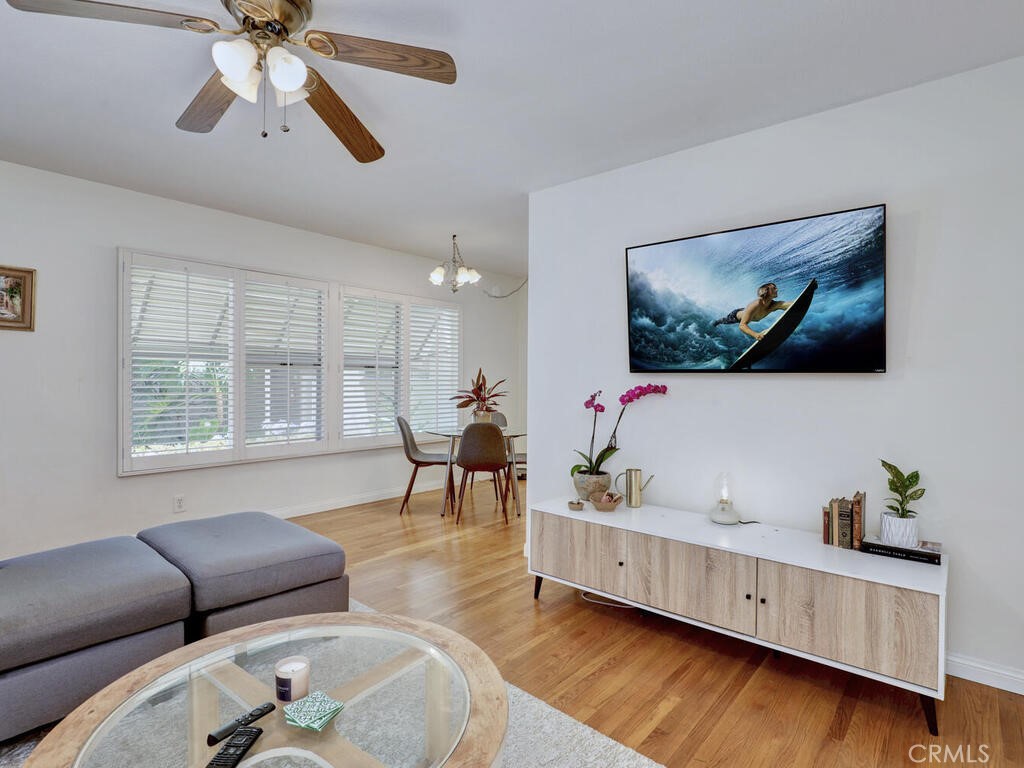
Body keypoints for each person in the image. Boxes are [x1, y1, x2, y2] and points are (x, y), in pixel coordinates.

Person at [712, 282, 792, 341]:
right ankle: (715, 322)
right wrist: (756, 335)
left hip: (748, 311)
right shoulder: (756, 304)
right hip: (735, 316)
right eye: (774, 288)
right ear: (766, 291)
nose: (777, 289)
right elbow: (742, 325)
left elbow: (787, 304)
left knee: (779, 305)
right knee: (722, 321)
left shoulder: (774, 305)